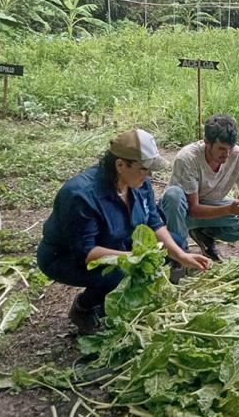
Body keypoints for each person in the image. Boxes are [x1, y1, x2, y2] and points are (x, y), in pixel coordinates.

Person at [37, 129, 212, 334]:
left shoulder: (139, 183)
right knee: (118, 272)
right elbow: (87, 252)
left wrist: (181, 256)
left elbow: (154, 222)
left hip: (116, 243)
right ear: (120, 165)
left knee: (174, 243)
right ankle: (84, 308)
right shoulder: (80, 195)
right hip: (66, 257)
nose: (148, 175)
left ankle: (127, 299)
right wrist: (136, 257)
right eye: (144, 169)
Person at [160, 114, 239, 262]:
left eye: (231, 148)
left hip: (211, 208)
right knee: (173, 195)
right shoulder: (187, 158)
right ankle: (179, 256)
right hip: (182, 213)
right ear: (207, 143)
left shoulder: (238, 155)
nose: (227, 154)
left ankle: (204, 234)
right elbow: (193, 209)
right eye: (222, 149)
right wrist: (229, 209)